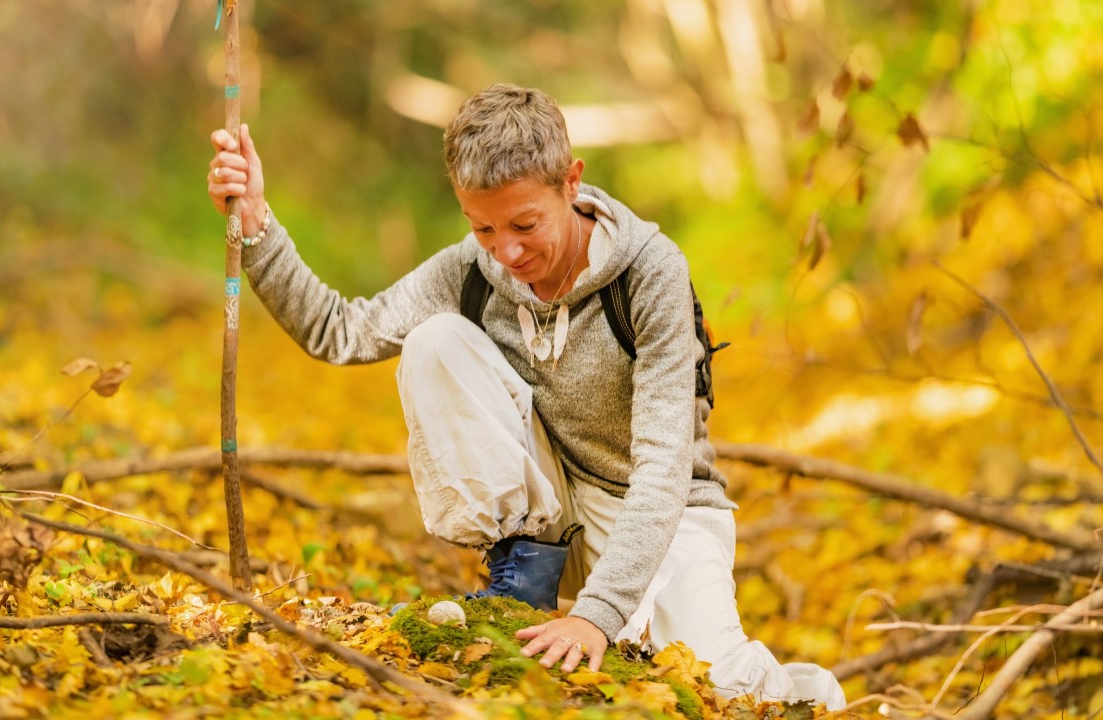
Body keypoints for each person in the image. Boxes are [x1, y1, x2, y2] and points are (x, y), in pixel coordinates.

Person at [206, 83, 845, 709]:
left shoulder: (651, 274)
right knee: (434, 342)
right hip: (556, 509)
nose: (506, 251)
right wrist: (257, 223)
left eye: (524, 224)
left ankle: (803, 690)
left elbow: (664, 468)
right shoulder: (472, 270)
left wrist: (597, 615)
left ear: (571, 182)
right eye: (482, 227)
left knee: (718, 686)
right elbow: (338, 331)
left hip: (661, 511)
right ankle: (523, 584)